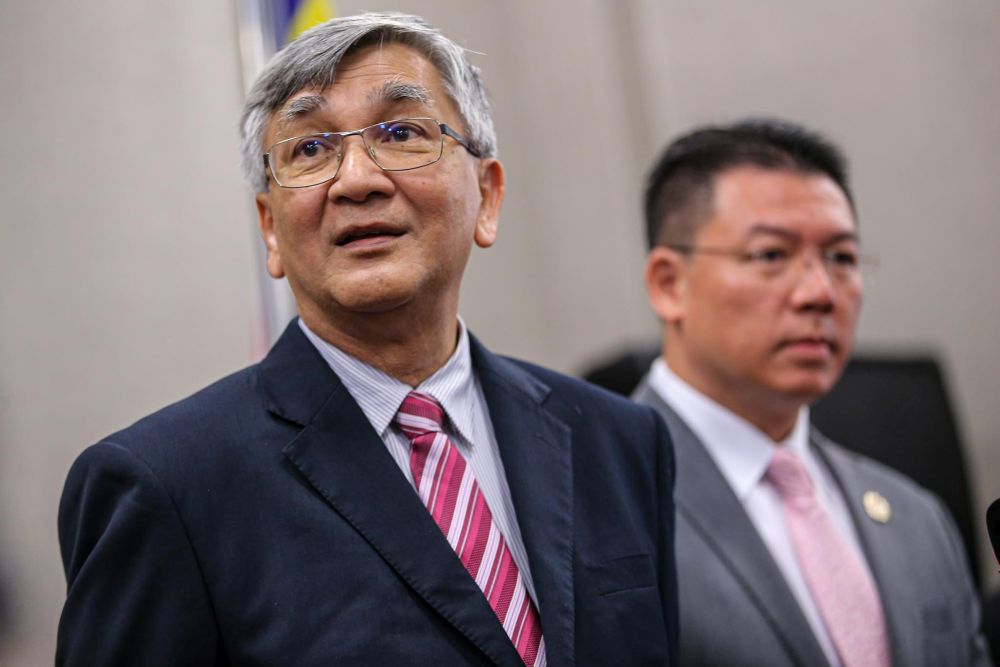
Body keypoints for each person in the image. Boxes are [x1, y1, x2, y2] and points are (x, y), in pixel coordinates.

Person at [55, 12, 678, 667]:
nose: (356, 180)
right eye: (310, 149)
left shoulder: (618, 440)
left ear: (488, 196)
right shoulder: (167, 487)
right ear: (269, 229)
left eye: (402, 132)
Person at [633, 118, 991, 667]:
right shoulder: (594, 503)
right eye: (771, 255)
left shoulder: (916, 518)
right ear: (668, 284)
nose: (819, 293)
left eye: (841, 258)